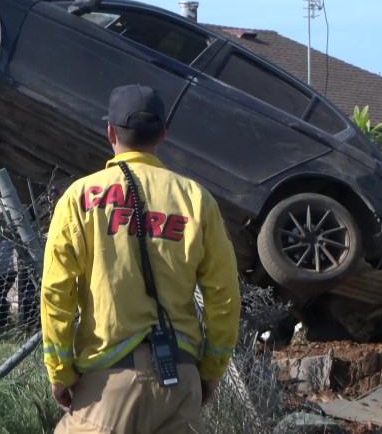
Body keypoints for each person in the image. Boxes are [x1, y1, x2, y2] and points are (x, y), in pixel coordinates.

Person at [40, 84, 241, 434]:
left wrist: (60, 372)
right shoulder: (197, 199)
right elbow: (224, 296)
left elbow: (56, 293)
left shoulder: (79, 198)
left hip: (108, 381)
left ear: (109, 133)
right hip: (181, 378)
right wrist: (210, 370)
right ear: (163, 134)